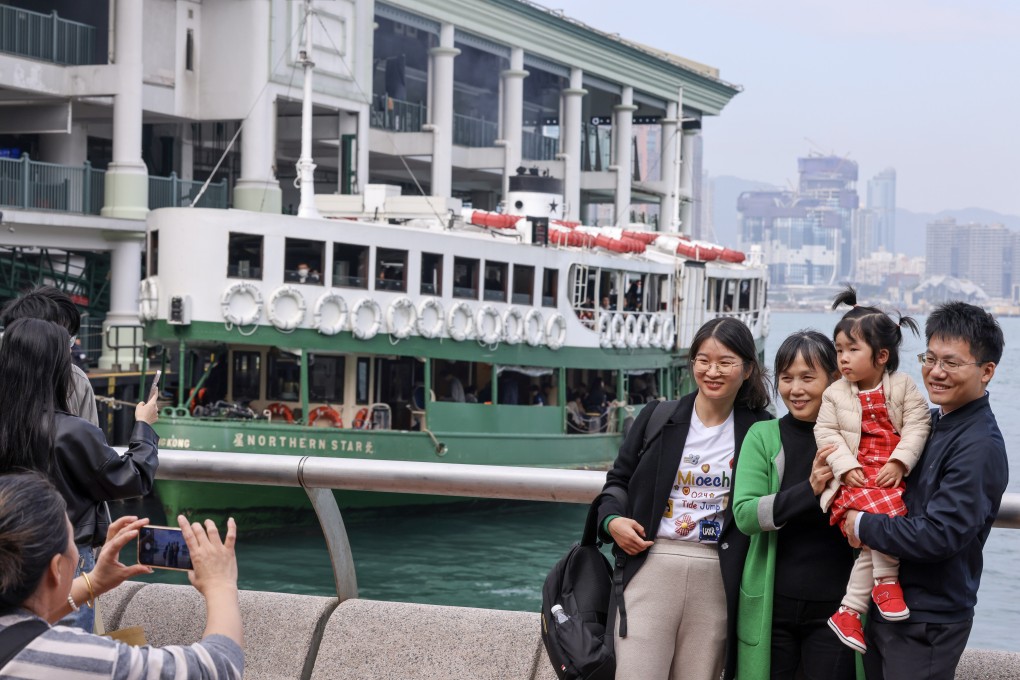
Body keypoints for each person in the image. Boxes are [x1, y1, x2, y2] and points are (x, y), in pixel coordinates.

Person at [597, 316, 772, 680]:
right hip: (650, 563)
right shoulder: (657, 417)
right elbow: (618, 480)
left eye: (725, 362)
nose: (712, 371)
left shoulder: (762, 430)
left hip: (720, 574)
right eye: (703, 360)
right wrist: (612, 521)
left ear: (747, 368)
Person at [844, 301, 1008, 680]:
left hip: (929, 619)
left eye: (951, 363)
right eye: (930, 358)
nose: (935, 372)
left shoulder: (980, 446)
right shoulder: (931, 422)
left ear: (987, 371)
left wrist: (862, 524)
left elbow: (940, 535)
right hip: (891, 604)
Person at [0, 471, 243, 679]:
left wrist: (93, 583)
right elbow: (218, 668)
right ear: (57, 569)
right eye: (72, 538)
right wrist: (221, 586)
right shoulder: (82, 660)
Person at [0, 318, 160, 632]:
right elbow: (131, 477)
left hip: (7, 556)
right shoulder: (72, 432)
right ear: (55, 369)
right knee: (65, 654)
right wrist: (144, 426)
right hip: (64, 561)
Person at [732, 330, 856, 679]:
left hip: (838, 608)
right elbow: (745, 514)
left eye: (807, 378)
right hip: (773, 605)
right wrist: (810, 489)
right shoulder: (764, 436)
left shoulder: (855, 438)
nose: (795, 390)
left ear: (835, 379)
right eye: (786, 378)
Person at [815, 287, 930, 653]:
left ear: (882, 356)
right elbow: (825, 430)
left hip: (888, 476)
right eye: (839, 350)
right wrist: (844, 466)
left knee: (878, 532)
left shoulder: (903, 386)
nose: (843, 358)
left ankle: (850, 610)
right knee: (883, 520)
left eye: (852, 350)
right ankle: (886, 584)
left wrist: (899, 461)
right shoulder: (835, 393)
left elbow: (918, 424)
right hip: (858, 478)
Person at [0, 285, 99, 427]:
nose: (68, 351)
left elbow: (90, 444)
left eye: (69, 340)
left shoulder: (78, 381)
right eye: (59, 340)